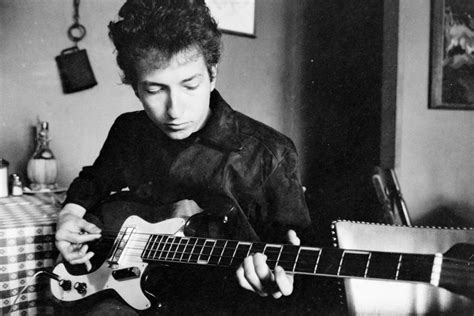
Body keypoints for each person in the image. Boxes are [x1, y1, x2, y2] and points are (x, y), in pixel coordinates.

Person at [54, 0, 313, 314]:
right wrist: (70, 213)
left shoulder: (272, 154)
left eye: (190, 85)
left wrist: (279, 282)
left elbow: (297, 259)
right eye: (154, 89)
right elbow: (93, 180)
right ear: (135, 88)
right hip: (130, 297)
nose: (175, 110)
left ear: (212, 74)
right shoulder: (128, 130)